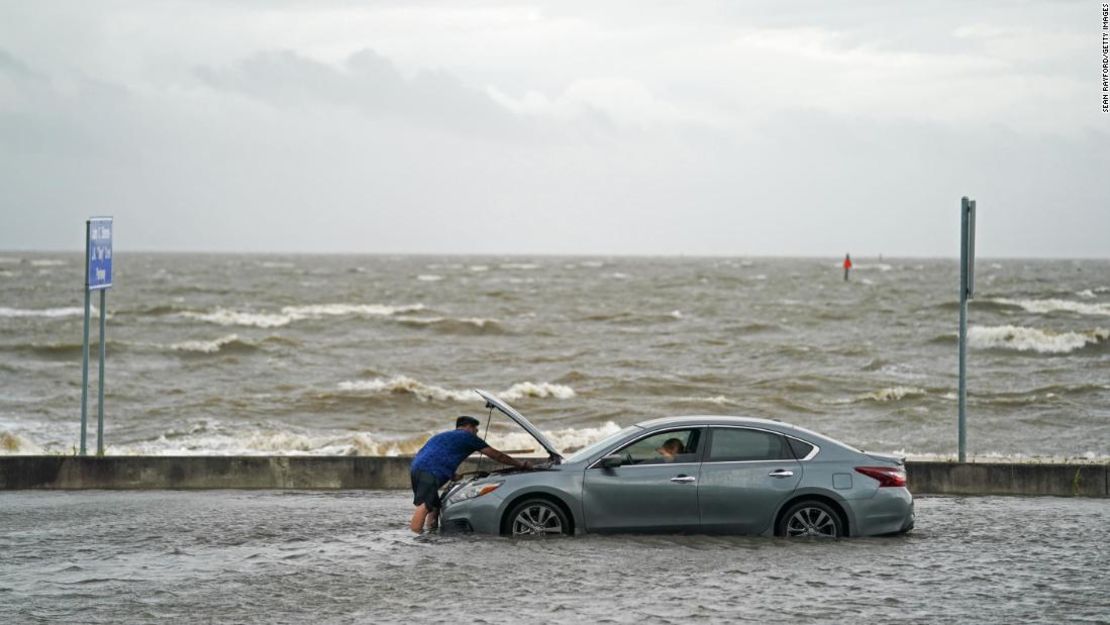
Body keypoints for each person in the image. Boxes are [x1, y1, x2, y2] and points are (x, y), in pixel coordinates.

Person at [409, 415, 532, 533]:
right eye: (475, 429)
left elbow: (437, 455)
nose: (476, 432)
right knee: (425, 505)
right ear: (467, 427)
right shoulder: (468, 437)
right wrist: (520, 465)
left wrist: (452, 474)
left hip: (416, 468)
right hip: (430, 472)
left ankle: (431, 531)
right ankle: (417, 539)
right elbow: (496, 455)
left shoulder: (443, 436)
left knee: (435, 506)